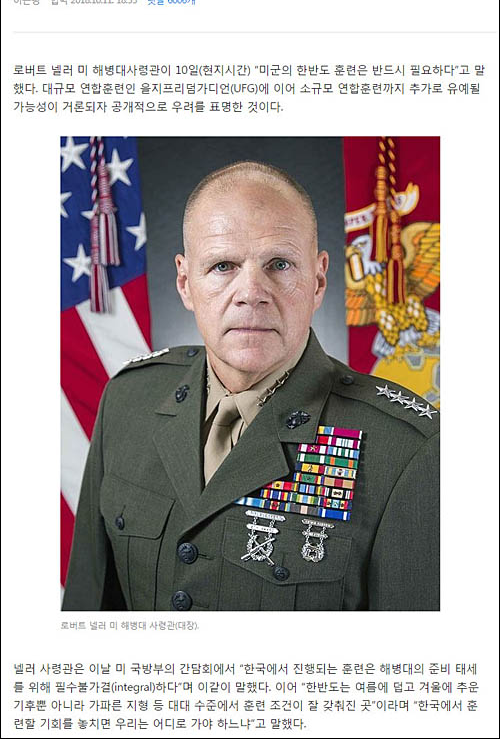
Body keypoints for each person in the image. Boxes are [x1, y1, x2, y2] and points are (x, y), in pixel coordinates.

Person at [62, 160, 439, 612]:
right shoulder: (128, 401)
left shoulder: (405, 451)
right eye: (223, 266)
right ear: (185, 283)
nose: (251, 292)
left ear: (318, 280)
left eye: (279, 264)